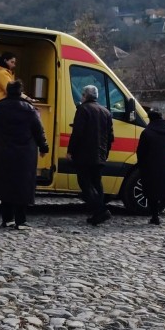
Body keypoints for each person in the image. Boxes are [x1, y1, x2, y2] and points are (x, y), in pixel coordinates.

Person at [0, 80, 48, 229]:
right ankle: (21, 221)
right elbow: (38, 130)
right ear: (21, 92)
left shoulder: (0, 107)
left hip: (4, 151)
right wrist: (43, 147)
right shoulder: (29, 109)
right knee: (22, 186)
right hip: (24, 154)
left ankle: (7, 219)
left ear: (8, 91)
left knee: (5, 185)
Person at [67, 84, 113, 225]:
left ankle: (100, 211)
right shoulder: (106, 112)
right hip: (100, 154)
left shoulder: (83, 109)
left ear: (85, 96)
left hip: (84, 154)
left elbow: (78, 133)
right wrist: (106, 153)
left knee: (85, 183)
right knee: (97, 183)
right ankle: (97, 215)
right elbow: (110, 137)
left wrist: (70, 150)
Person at [136, 109, 165, 225]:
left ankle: (155, 217)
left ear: (150, 119)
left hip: (151, 166)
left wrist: (141, 164)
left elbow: (140, 151)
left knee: (152, 193)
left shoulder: (146, 132)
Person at [0, 51, 33, 116]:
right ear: (5, 60)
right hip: (1, 109)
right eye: (12, 62)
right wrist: (26, 98)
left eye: (14, 63)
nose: (14, 65)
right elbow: (12, 90)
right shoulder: (2, 73)